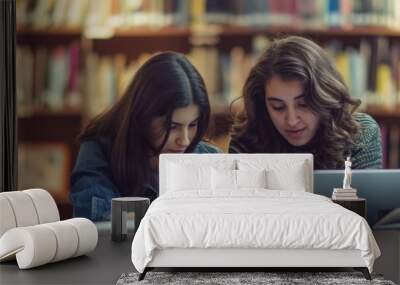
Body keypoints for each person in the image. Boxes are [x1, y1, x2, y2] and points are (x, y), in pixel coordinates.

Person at [70, 52, 221, 221]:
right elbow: (99, 222)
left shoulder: (209, 158)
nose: (184, 140)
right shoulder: (99, 150)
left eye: (192, 125)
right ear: (142, 117)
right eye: (172, 126)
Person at [229, 36, 382, 169]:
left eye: (304, 104)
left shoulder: (361, 133)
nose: (292, 120)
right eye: (278, 107)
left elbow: (368, 201)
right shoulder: (248, 138)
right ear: (262, 103)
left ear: (325, 96)